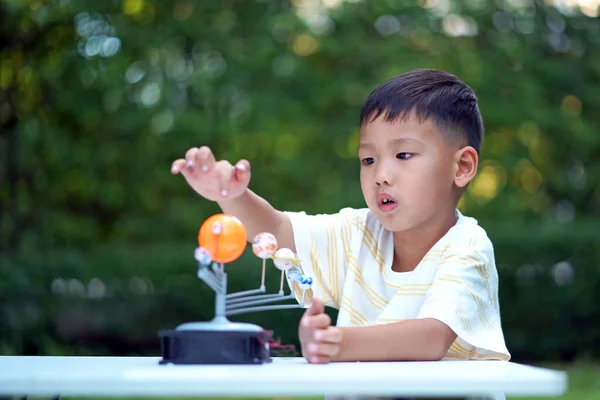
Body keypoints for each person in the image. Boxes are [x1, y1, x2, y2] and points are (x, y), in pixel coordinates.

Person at [170, 69, 511, 364]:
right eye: (368, 160)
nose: (381, 175)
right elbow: (276, 230)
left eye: (403, 154)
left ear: (462, 166)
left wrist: (335, 342)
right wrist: (229, 194)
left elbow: (431, 338)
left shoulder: (468, 246)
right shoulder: (357, 233)